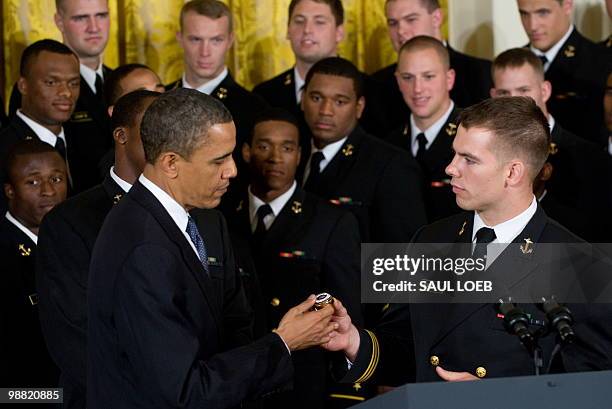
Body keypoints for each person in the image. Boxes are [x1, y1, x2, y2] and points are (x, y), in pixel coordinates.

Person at [323, 97, 612, 385]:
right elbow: (406, 346)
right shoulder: (430, 240)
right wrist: (353, 341)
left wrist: (495, 401)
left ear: (512, 172)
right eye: (454, 154)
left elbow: (589, 389)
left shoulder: (584, 267)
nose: (450, 168)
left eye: (469, 160)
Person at [87, 88, 336, 408]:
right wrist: (284, 341)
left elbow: (227, 330)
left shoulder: (183, 220)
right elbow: (184, 392)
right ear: (171, 163)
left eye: (231, 155)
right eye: (218, 160)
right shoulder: (144, 248)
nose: (232, 170)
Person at [224, 108, 366, 408]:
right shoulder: (220, 217)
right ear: (246, 152)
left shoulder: (331, 221)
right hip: (236, 381)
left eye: (287, 148)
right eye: (264, 146)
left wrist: (348, 392)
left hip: (302, 384)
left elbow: (347, 315)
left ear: (300, 155)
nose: (276, 157)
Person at [36, 90, 159, 409]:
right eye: (152, 128)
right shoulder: (71, 221)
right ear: (121, 135)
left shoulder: (203, 216)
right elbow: (74, 336)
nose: (165, 138)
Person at [299, 56, 427, 244]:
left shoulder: (391, 166)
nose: (325, 110)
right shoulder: (291, 154)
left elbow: (404, 257)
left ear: (359, 107)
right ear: (302, 99)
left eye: (340, 102)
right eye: (316, 98)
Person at [490, 47, 612, 241]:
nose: (514, 102)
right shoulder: (488, 156)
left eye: (523, 90)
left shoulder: (590, 158)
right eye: (505, 93)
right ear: (494, 96)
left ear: (545, 90)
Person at [10, 0, 113, 193]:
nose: (94, 27)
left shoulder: (117, 81)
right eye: (81, 17)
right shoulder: (33, 86)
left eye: (101, 15)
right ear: (59, 21)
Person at [0, 140, 68, 393]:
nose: (48, 191)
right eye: (33, 182)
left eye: (57, 179)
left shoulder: (81, 240)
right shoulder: (5, 253)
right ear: (10, 190)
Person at [371, 0, 492, 136]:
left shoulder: (481, 72)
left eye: (411, 20)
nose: (400, 31)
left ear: (436, 18)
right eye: (393, 23)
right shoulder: (376, 84)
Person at [167, 0, 267, 152]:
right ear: (180, 38)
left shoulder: (254, 108)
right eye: (196, 39)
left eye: (216, 40)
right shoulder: (161, 98)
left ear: (230, 41)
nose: (205, 52)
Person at [386, 36, 461, 221]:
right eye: (407, 78)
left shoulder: (476, 137)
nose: (417, 88)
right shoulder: (388, 144)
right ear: (397, 81)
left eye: (428, 76)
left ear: (449, 79)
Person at [517, 0, 611, 143]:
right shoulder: (509, 64)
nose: (532, 25)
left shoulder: (602, 61)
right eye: (524, 14)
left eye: (543, 13)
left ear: (567, 5)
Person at [0, 39, 80, 207]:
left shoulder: (86, 141)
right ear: (23, 86)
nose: (66, 92)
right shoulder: (5, 149)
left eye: (74, 83)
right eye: (51, 82)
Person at [253, 0, 345, 119]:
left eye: (319, 22)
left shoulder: (369, 91)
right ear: (288, 30)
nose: (307, 30)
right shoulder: (264, 95)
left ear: (339, 32)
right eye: (299, 21)